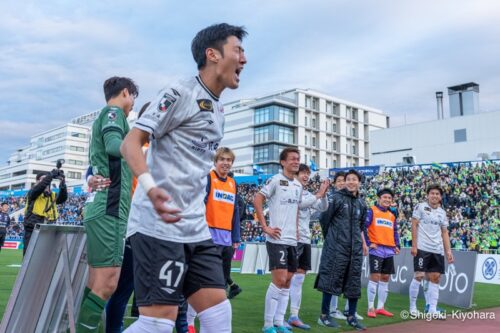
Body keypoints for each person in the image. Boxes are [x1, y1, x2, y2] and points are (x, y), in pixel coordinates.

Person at [120, 23, 247, 333]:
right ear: (213, 54)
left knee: (218, 312)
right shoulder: (179, 92)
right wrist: (150, 189)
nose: (244, 59)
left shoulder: (219, 109)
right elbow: (130, 143)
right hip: (158, 226)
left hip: (194, 227)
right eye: (238, 50)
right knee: (157, 324)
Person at [76, 76, 139, 333]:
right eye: (134, 96)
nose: (133, 103)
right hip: (109, 209)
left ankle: (78, 328)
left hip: (104, 208)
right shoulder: (114, 113)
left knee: (97, 283)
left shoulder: (107, 115)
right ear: (126, 92)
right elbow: (114, 146)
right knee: (107, 284)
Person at [254, 147, 329, 333]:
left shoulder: (298, 186)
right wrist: (265, 227)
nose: (296, 161)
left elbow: (299, 208)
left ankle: (279, 322)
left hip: (292, 241)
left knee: (287, 281)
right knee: (279, 279)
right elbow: (257, 198)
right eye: (292, 159)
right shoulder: (275, 180)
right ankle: (268, 324)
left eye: (298, 159)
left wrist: (320, 195)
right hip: (277, 239)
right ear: (283, 162)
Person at [187, 147, 242, 333]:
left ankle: (210, 324)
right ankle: (189, 322)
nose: (226, 163)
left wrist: (236, 237)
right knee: (201, 284)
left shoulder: (233, 183)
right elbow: (199, 205)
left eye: (229, 160)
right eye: (222, 159)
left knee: (220, 284)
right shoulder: (208, 178)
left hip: (226, 241)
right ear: (215, 161)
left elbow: (235, 212)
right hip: (208, 237)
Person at [316, 169, 368, 331]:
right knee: (331, 280)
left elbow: (360, 226)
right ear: (345, 182)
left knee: (353, 283)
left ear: (359, 182)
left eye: (354, 179)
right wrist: (332, 240)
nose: (351, 182)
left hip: (355, 250)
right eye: (349, 179)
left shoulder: (361, 203)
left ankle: (351, 317)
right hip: (336, 248)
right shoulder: (336, 198)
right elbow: (324, 220)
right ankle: (324, 315)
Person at [287, 164, 329, 330]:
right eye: (303, 173)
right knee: (285, 279)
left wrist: (323, 195)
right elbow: (300, 205)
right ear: (295, 174)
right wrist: (318, 194)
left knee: (299, 279)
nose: (306, 176)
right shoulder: (290, 190)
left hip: (305, 240)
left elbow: (323, 208)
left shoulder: (308, 194)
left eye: (307, 173)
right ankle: (277, 317)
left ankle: (294, 315)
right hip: (291, 239)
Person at [409, 184, 454, 317]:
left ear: (440, 197)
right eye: (432, 193)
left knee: (435, 278)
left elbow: (445, 232)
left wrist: (448, 251)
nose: (434, 196)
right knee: (419, 276)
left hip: (437, 250)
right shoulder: (420, 207)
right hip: (422, 248)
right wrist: (414, 245)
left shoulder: (442, 212)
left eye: (437, 194)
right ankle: (412, 308)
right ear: (428, 195)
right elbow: (414, 224)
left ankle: (432, 310)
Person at [365, 188, 400, 318]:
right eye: (384, 197)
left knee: (385, 278)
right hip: (377, 248)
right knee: (375, 277)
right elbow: (364, 226)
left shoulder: (392, 215)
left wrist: (397, 245)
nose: (387, 200)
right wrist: (369, 243)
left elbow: (394, 231)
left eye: (389, 198)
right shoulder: (372, 210)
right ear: (379, 199)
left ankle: (380, 307)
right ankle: (370, 307)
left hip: (389, 250)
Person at [23, 170, 68, 256]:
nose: (46, 181)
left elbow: (63, 198)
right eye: (43, 179)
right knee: (29, 255)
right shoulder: (33, 192)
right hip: (33, 227)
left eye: (47, 179)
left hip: (48, 227)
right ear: (37, 181)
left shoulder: (52, 195)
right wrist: (50, 176)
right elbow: (39, 188)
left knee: (46, 257)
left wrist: (62, 185)